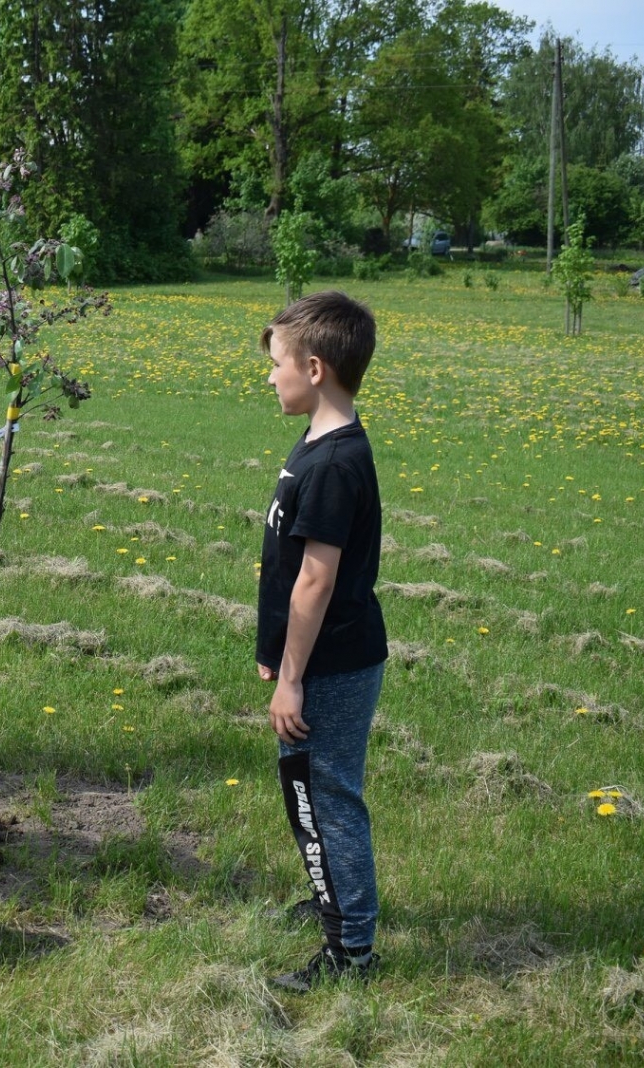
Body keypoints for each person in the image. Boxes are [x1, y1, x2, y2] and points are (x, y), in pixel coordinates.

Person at [255, 290, 389, 991]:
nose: (268, 376)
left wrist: (291, 676)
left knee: (326, 796)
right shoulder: (316, 442)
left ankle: (352, 951)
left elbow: (315, 580)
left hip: (330, 665)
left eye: (276, 363)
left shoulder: (335, 463)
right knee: (305, 789)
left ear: (313, 368)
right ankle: (332, 898)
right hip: (313, 662)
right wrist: (272, 652)